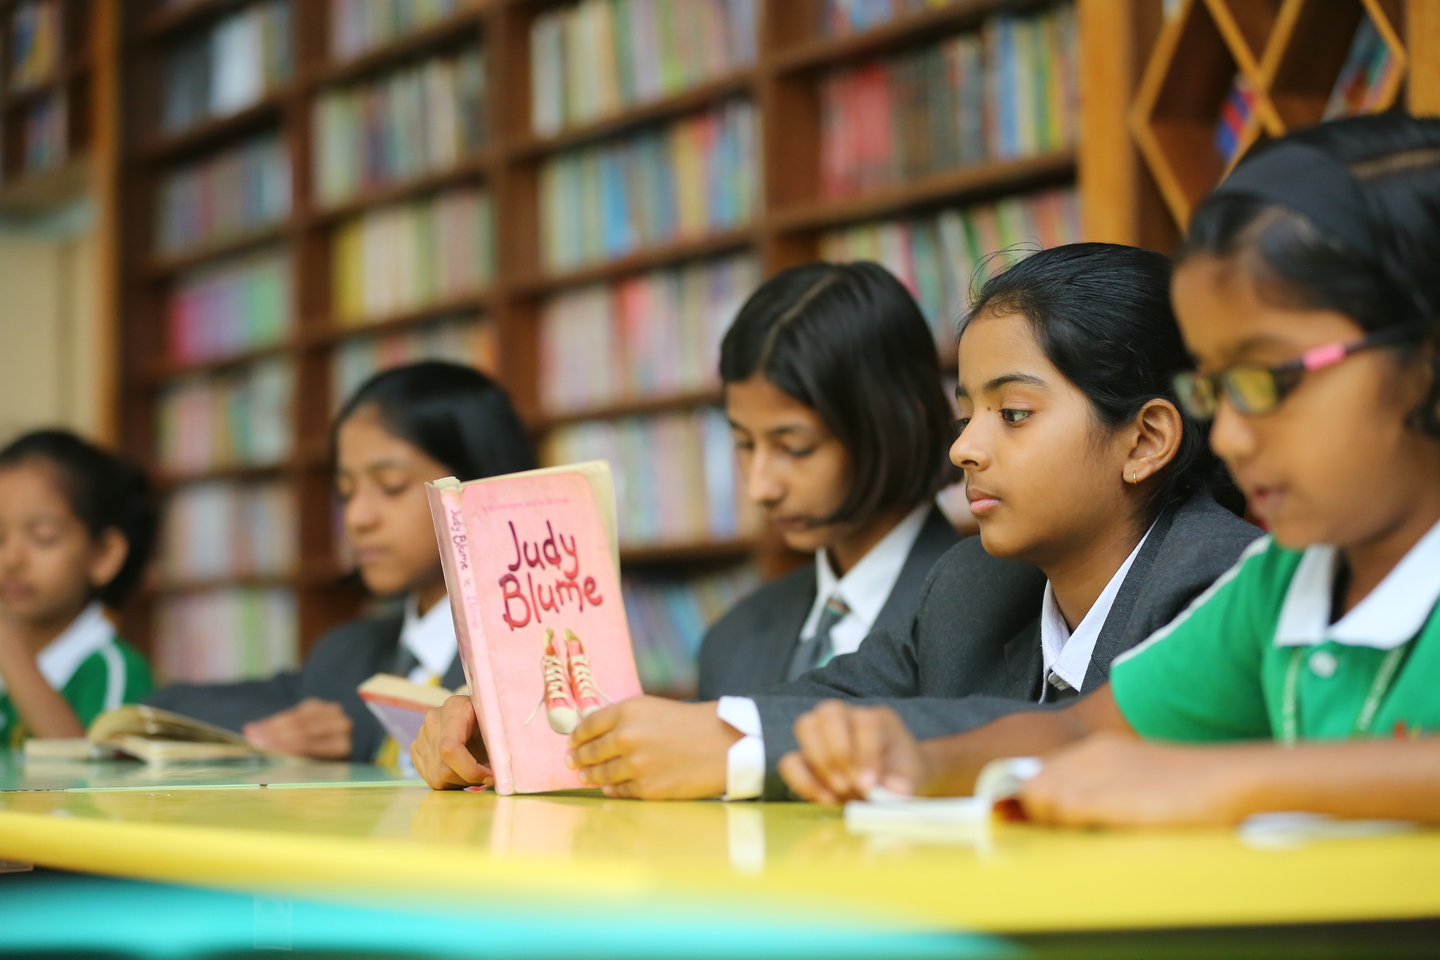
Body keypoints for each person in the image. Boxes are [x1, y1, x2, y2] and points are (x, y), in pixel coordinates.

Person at [779, 114, 1440, 827]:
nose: (1235, 436)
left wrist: (1233, 782)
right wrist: (922, 762)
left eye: (1268, 378)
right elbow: (1083, 731)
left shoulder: (1235, 567)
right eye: (1217, 390)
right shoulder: (1282, 583)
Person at [414, 244, 1260, 799]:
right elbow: (812, 704)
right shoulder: (971, 583)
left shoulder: (1223, 577)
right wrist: (534, 728)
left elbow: (1080, 736)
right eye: (967, 411)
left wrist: (734, 744)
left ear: (1145, 439)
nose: (963, 447)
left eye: (1013, 414)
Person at [412, 261, 961, 790]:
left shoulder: (986, 612)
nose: (760, 486)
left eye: (795, 447)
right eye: (744, 444)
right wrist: (518, 749)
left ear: (897, 421)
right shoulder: (736, 637)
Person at [147, 362, 535, 763]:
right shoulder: (348, 653)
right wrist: (265, 738)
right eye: (346, 491)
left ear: (480, 481)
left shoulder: (537, 654)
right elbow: (166, 708)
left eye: (391, 486)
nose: (356, 518)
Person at [0, 430, 157, 745]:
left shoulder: (113, 670)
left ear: (103, 555)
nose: (11, 558)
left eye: (43, 536)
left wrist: (9, 649)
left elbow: (92, 783)